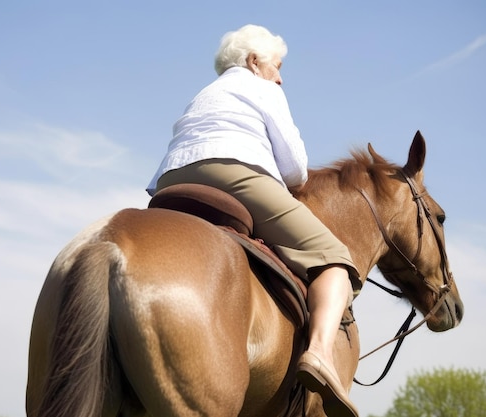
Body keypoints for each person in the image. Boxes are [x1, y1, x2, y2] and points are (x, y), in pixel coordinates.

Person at [146, 24, 360, 417]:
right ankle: (320, 354)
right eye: (277, 66)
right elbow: (296, 170)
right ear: (253, 61)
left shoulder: (203, 94)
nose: (280, 77)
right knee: (335, 258)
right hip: (234, 174)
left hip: (169, 181)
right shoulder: (263, 88)